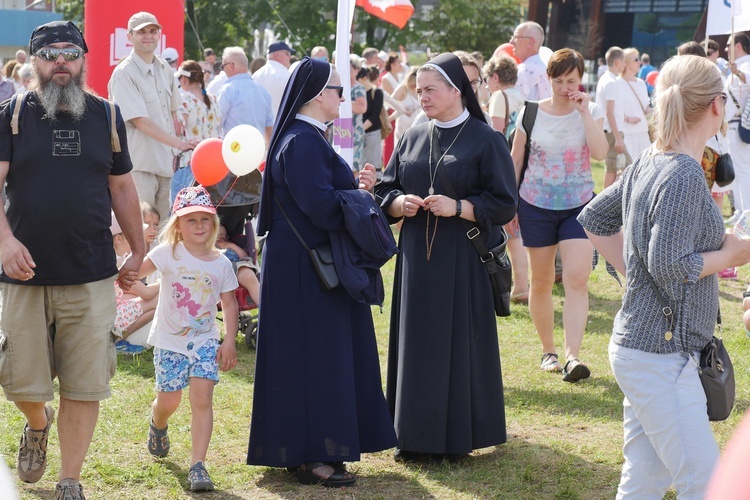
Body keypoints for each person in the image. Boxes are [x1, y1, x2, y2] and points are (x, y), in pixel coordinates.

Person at [578, 54, 750, 499]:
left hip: (647, 349)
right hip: (660, 354)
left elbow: (594, 217)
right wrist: (731, 253)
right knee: (705, 482)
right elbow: (669, 264)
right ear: (716, 105)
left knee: (645, 481)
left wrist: (633, 272)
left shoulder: (651, 161)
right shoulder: (682, 172)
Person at [0, 20, 144, 499]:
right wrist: (4, 241)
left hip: (90, 274)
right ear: (34, 60)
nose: (61, 61)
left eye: (70, 53)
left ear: (83, 59)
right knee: (22, 383)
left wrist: (139, 248)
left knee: (84, 386)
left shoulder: (106, 116)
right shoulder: (12, 115)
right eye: (49, 53)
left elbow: (121, 185)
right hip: (23, 276)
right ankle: (38, 423)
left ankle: (70, 480)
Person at [247, 57, 396, 487]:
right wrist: (360, 198)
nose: (344, 98)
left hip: (306, 262)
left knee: (316, 357)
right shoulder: (303, 140)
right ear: (316, 95)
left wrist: (354, 188)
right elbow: (321, 206)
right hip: (306, 267)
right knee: (315, 359)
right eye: (338, 89)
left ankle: (310, 448)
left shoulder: (303, 138)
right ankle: (314, 455)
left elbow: (323, 198)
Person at [375, 52, 517, 462]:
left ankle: (455, 438)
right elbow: (386, 189)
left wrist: (460, 208)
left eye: (429, 90)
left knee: (455, 345)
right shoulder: (414, 135)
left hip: (462, 260)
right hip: (417, 256)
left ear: (456, 90)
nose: (422, 98)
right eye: (418, 91)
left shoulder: (485, 138)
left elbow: (504, 203)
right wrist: (399, 202)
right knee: (416, 343)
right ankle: (413, 435)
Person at [510, 48, 607, 381]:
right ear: (548, 80)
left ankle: (572, 356)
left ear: (581, 81)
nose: (566, 88)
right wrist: (510, 204)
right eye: (560, 81)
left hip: (578, 205)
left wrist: (584, 114)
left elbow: (600, 153)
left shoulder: (590, 110)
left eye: (573, 81)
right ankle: (548, 352)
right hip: (535, 203)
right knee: (542, 281)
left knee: (577, 279)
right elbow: (516, 160)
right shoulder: (530, 112)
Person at [138, 186, 239, 492]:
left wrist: (229, 340)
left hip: (206, 342)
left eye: (204, 220)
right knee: (170, 400)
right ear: (178, 225)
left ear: (213, 224)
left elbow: (230, 304)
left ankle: (198, 465)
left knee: (202, 400)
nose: (198, 226)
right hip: (170, 342)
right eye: (190, 220)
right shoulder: (167, 254)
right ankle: (158, 421)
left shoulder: (221, 263)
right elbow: (135, 272)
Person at [107, 11, 196, 219]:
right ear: (130, 37)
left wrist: (178, 147)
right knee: (141, 228)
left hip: (166, 165)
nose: (148, 35)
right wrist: (178, 143)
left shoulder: (164, 67)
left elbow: (173, 112)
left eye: (153, 31)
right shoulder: (124, 73)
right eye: (142, 32)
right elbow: (139, 121)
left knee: (165, 230)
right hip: (139, 166)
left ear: (159, 35)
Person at [484, 53, 529, 302]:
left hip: (506, 165)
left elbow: (496, 134)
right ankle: (522, 284)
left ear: (496, 77)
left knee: (511, 230)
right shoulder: (524, 98)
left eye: (487, 78)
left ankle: (521, 285)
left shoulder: (498, 97)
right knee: (516, 229)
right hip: (525, 167)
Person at [174, 60, 222, 195]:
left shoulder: (184, 99)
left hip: (191, 162)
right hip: (214, 161)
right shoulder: (213, 99)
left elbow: (177, 129)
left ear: (183, 79)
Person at [216, 46, 274, 144]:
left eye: (223, 66)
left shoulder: (228, 90)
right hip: (257, 150)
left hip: (233, 149)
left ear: (231, 66)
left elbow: (217, 122)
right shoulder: (263, 91)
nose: (223, 70)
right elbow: (269, 126)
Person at [596, 46, 630, 189]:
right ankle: (605, 201)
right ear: (617, 62)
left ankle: (608, 199)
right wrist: (618, 137)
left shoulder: (606, 79)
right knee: (618, 167)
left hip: (609, 130)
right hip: (612, 132)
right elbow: (610, 112)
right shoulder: (611, 82)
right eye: (623, 61)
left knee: (616, 167)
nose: (625, 65)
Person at [617, 48, 651, 160]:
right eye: (636, 59)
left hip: (642, 131)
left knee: (645, 167)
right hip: (626, 133)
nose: (639, 62)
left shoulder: (641, 83)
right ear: (626, 62)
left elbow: (646, 106)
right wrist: (627, 118)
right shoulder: (617, 83)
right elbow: (612, 109)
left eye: (639, 59)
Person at [511, 21, 551, 101]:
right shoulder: (547, 71)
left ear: (530, 42)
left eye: (516, 37)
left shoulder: (523, 71)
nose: (511, 42)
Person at [253, 41, 294, 113]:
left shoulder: (256, 75)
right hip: (279, 122)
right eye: (288, 54)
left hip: (258, 123)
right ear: (277, 55)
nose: (290, 57)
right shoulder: (286, 75)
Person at [359, 65, 385, 171]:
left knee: (372, 164)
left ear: (364, 78)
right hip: (358, 133)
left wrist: (359, 129)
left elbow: (375, 115)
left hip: (372, 133)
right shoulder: (356, 93)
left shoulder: (376, 92)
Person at [348, 55, 368, 171]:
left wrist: (343, 102)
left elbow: (362, 108)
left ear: (356, 71)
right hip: (339, 130)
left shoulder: (358, 88)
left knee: (354, 166)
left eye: (349, 69)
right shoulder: (338, 86)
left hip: (354, 131)